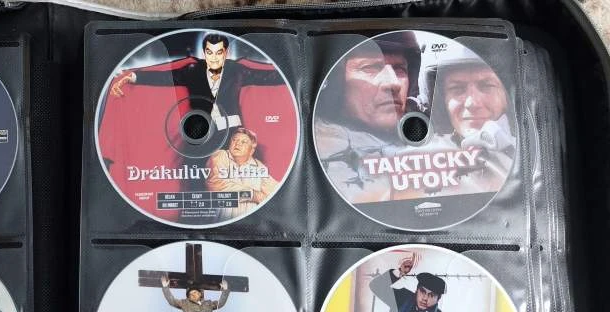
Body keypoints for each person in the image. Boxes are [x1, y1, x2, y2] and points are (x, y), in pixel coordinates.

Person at [314, 32, 423, 203]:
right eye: (370, 68)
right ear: (335, 82)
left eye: (400, 69)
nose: (393, 83)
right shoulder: (322, 159)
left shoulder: (432, 138)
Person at [111, 33, 285, 131]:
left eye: (219, 53)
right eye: (210, 52)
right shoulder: (192, 70)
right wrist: (132, 77)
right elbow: (164, 78)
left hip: (233, 132)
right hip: (199, 132)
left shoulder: (236, 69)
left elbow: (266, 77)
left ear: (225, 53)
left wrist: (290, 72)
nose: (214, 58)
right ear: (204, 52)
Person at [423, 57, 514, 194]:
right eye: (457, 89)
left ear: (507, 97)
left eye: (487, 86)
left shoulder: (531, 153)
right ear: (442, 103)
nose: (472, 103)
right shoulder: (424, 164)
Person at [205, 128, 280, 220]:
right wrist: (253, 195)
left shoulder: (258, 165)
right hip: (222, 220)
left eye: (244, 142)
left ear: (251, 150)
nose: (237, 144)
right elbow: (217, 184)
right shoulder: (220, 155)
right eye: (234, 140)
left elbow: (275, 193)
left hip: (251, 222)